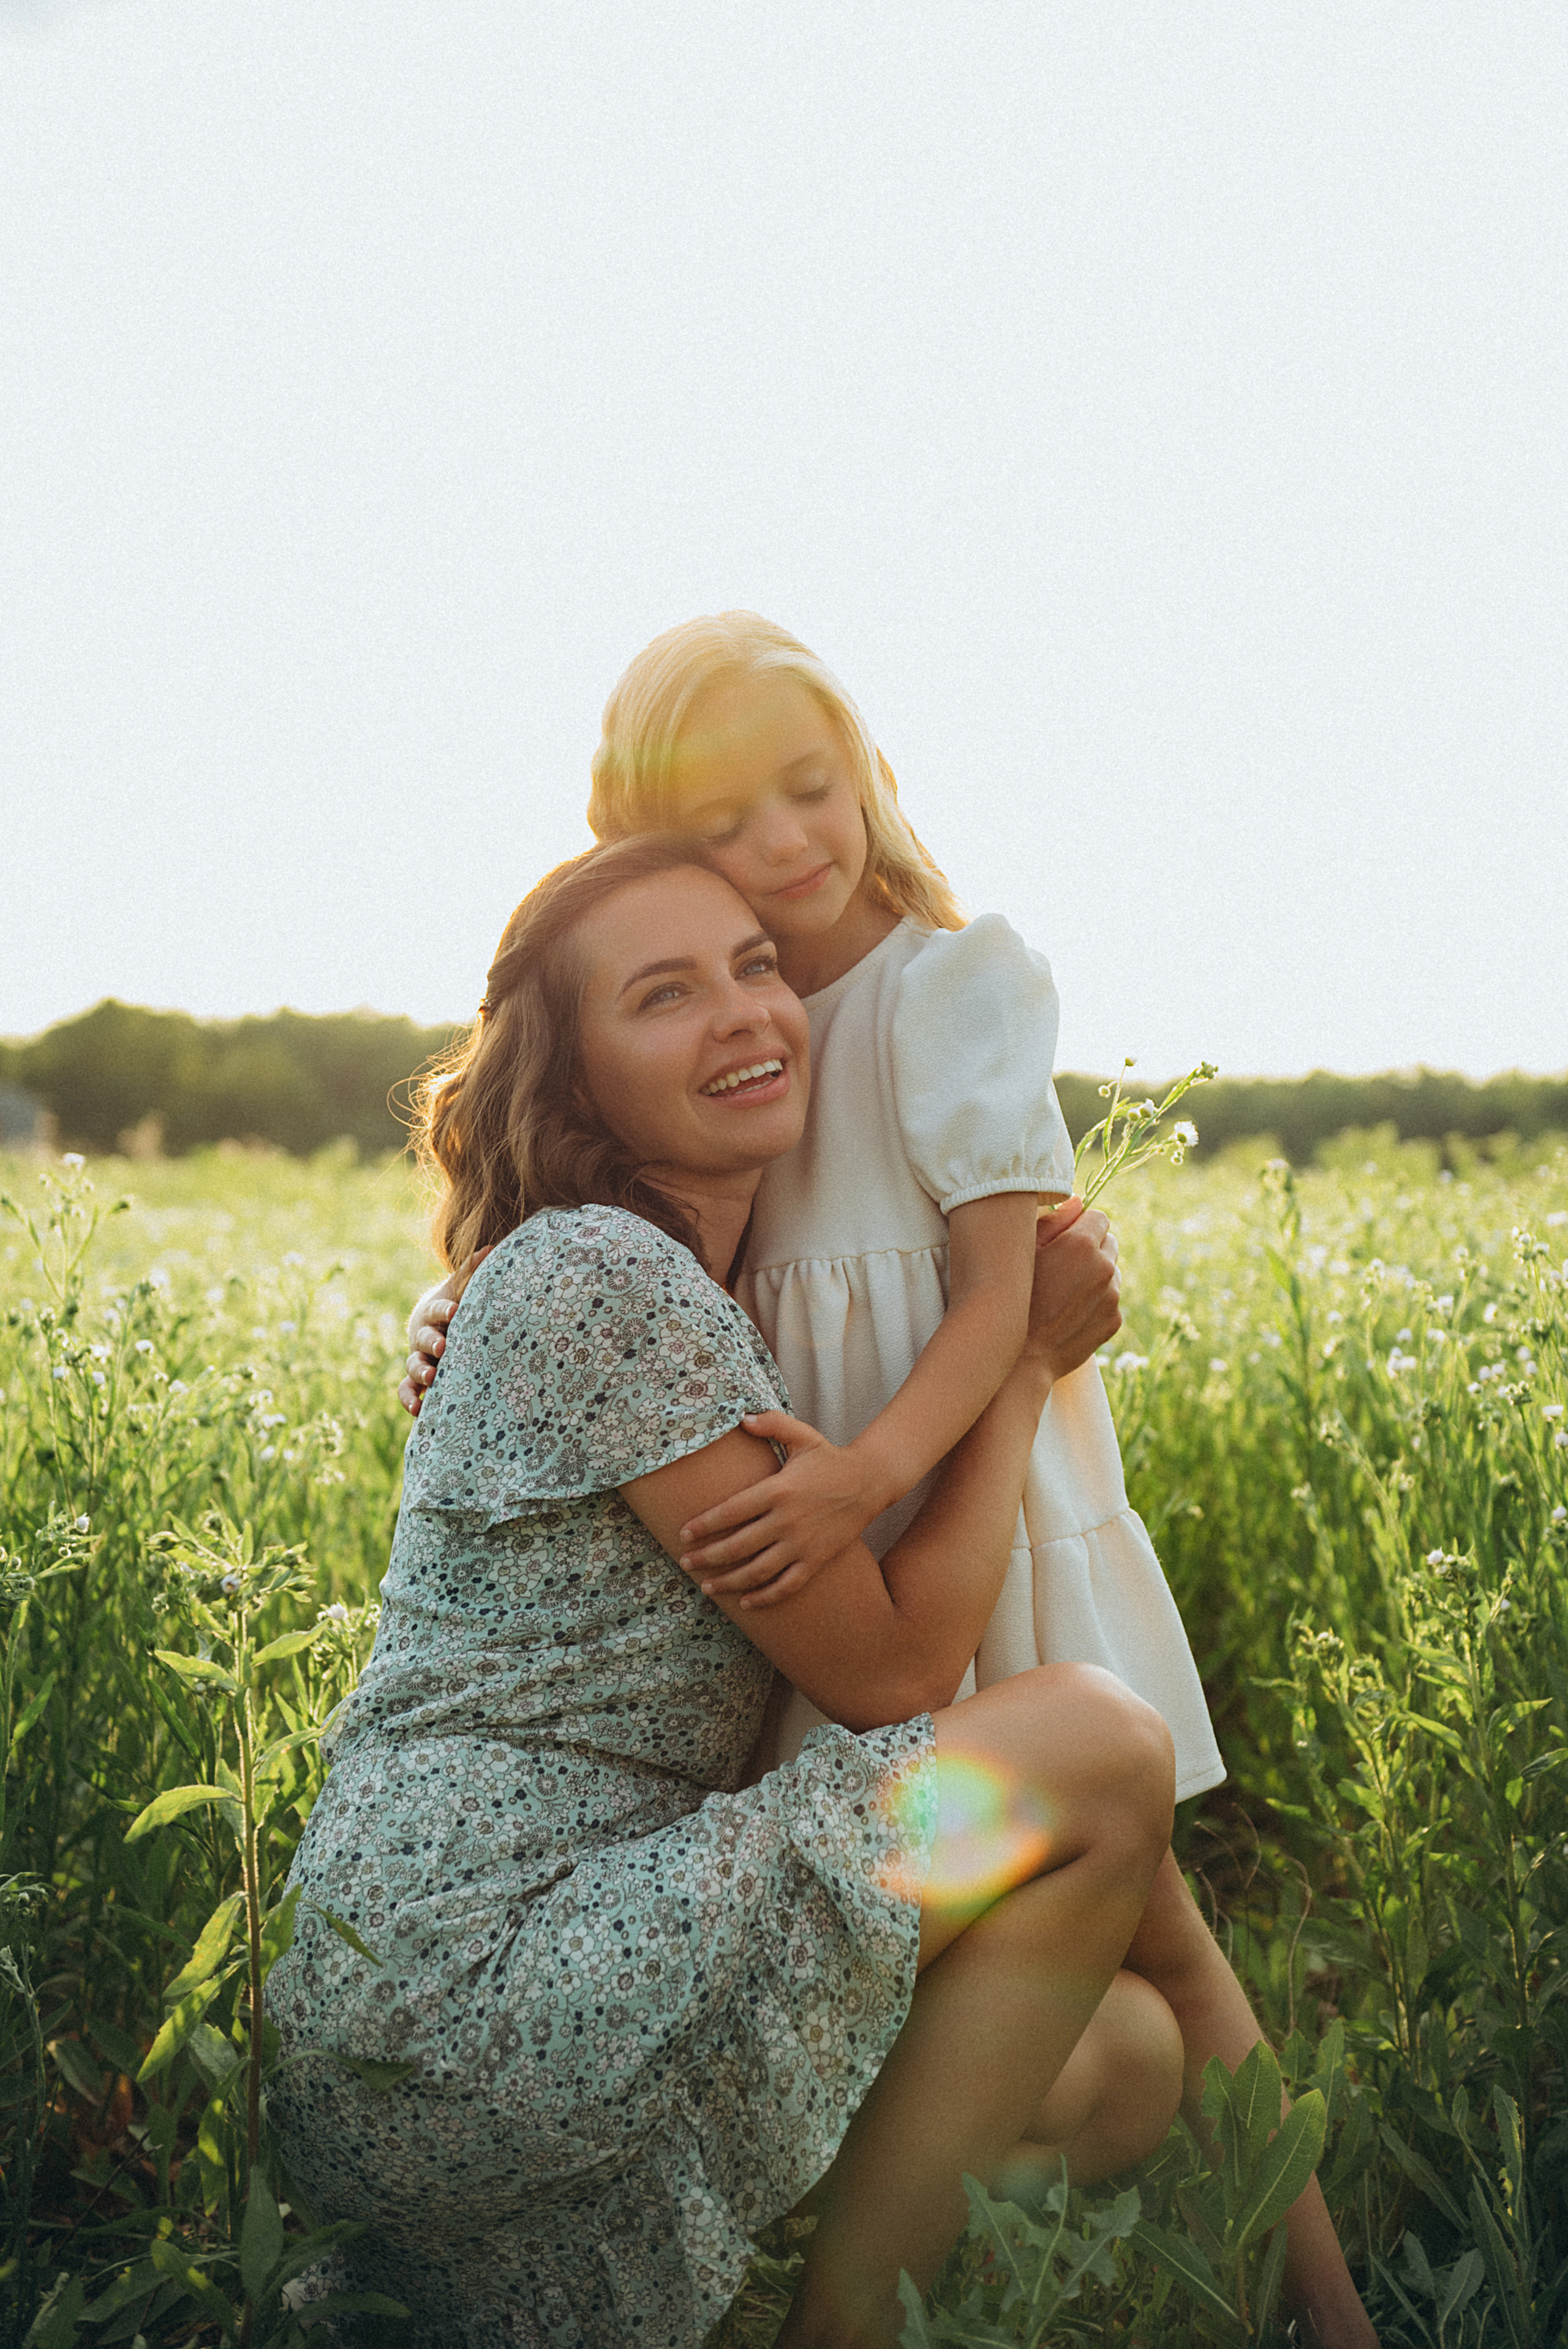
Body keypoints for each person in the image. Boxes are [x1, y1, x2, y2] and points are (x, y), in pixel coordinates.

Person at [399, 616, 1378, 2347]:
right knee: (1049, 1933)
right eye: (729, 818)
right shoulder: (741, 1039)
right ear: (648, 838)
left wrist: (862, 1476)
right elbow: (634, 1275)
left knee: (1152, 1910)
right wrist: (453, 1315)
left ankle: (1330, 2301)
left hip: (941, 1518)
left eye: (814, 786)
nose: (788, 843)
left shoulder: (944, 979)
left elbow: (1008, 1295)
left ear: (869, 773)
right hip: (836, 1556)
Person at [268, 835, 1182, 2349]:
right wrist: (1013, 1359)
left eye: (757, 966)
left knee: (1119, 2062)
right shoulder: (598, 1279)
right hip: (473, 1980)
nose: (746, 1012)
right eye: (665, 993)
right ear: (573, 1079)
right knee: (1096, 1744)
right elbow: (890, 1673)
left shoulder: (636, 1285)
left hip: (534, 1977)